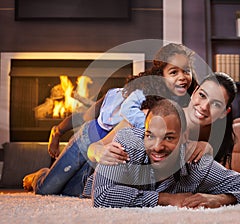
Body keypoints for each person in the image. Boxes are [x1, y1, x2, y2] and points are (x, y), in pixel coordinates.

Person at [23, 43, 200, 196]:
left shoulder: (186, 102)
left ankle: (54, 174)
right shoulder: (147, 98)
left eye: (186, 71)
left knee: (72, 189)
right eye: (173, 72)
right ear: (161, 76)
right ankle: (40, 175)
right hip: (89, 137)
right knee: (46, 189)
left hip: (106, 147)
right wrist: (58, 131)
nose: (182, 77)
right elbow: (91, 114)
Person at [91, 98, 240, 208]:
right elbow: (101, 196)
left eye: (169, 138)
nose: (157, 146)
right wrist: (168, 199)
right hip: (81, 179)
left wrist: (222, 199)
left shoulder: (198, 164)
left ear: (184, 138)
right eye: (150, 136)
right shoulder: (127, 144)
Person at [88, 72, 237, 168]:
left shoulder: (215, 136)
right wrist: (99, 152)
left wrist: (208, 151)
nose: (204, 107)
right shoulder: (157, 114)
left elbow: (219, 179)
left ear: (224, 112)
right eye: (202, 95)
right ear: (194, 92)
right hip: (99, 176)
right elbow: (94, 147)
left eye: (216, 104)